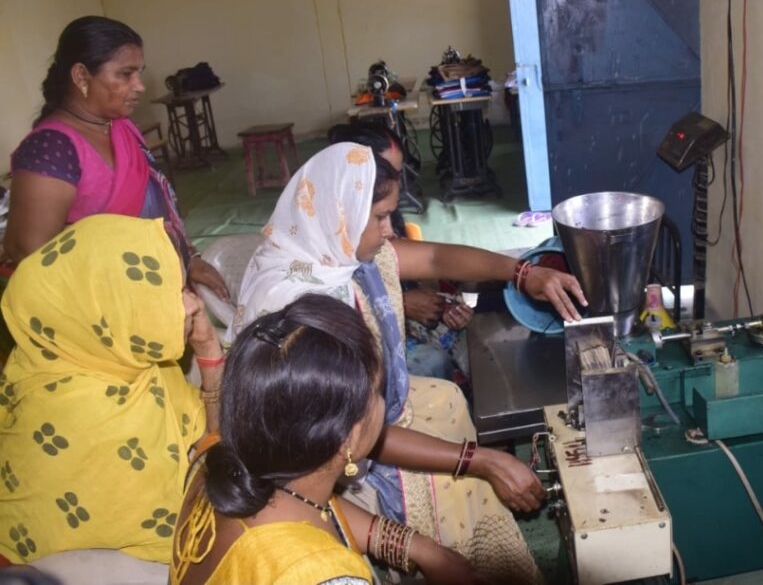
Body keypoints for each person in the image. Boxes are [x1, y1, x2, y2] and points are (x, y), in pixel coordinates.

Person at [230, 141, 587, 583]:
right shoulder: (297, 307)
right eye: (380, 217)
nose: (389, 231)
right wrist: (479, 460)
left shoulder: (339, 251)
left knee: (450, 400)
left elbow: (435, 257)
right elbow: (351, 431)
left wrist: (524, 273)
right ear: (341, 210)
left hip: (368, 415)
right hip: (346, 443)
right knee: (468, 472)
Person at [171, 294, 484, 584]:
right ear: (345, 442)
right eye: (376, 393)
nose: (381, 404)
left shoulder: (218, 465)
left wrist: (419, 548)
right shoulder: (325, 575)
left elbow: (308, 504)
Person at [0, 214, 225, 564]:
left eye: (185, 289)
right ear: (111, 312)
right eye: (174, 293)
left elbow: (214, 439)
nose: (193, 305)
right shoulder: (96, 421)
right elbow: (219, 478)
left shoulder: (112, 359)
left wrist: (210, 349)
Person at [5, 15, 228, 300]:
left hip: (157, 291)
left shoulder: (120, 127)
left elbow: (156, 211)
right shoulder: (52, 148)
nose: (140, 86)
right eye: (125, 74)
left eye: (139, 72)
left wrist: (189, 257)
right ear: (81, 77)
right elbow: (29, 252)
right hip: (105, 310)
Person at [328, 121, 474, 380]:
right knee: (432, 363)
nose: (395, 182)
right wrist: (402, 305)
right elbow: (342, 320)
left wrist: (441, 307)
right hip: (361, 352)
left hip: (402, 319)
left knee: (470, 340)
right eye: (386, 172)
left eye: (397, 172)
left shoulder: (384, 213)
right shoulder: (330, 237)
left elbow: (424, 265)